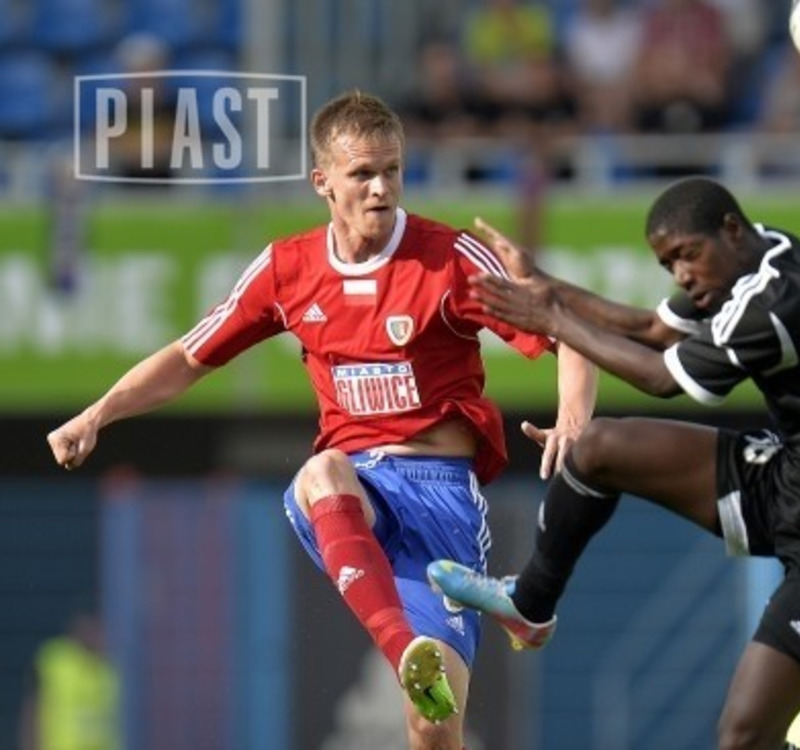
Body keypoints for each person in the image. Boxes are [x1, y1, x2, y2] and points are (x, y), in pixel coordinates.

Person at [46, 90, 596, 750]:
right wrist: (97, 414)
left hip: (441, 499)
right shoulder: (288, 268)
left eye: (392, 170)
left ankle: (434, 648)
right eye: (362, 173)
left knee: (433, 727)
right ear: (322, 182)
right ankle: (405, 645)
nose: (381, 188)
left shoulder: (449, 258)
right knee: (320, 472)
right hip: (357, 494)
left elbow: (569, 331)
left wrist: (572, 419)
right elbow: (190, 356)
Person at [428, 176, 800, 749]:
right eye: (668, 263)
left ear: (731, 230)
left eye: (687, 254)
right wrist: (546, 287)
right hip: (795, 477)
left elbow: (660, 376)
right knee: (598, 447)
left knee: (744, 737)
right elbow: (652, 328)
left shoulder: (777, 304)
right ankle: (529, 605)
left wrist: (551, 318)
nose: (681, 274)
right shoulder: (766, 250)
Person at [19, 609, 120, 750]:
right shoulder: (54, 659)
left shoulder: (113, 667)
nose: (102, 635)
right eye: (97, 628)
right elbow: (31, 711)